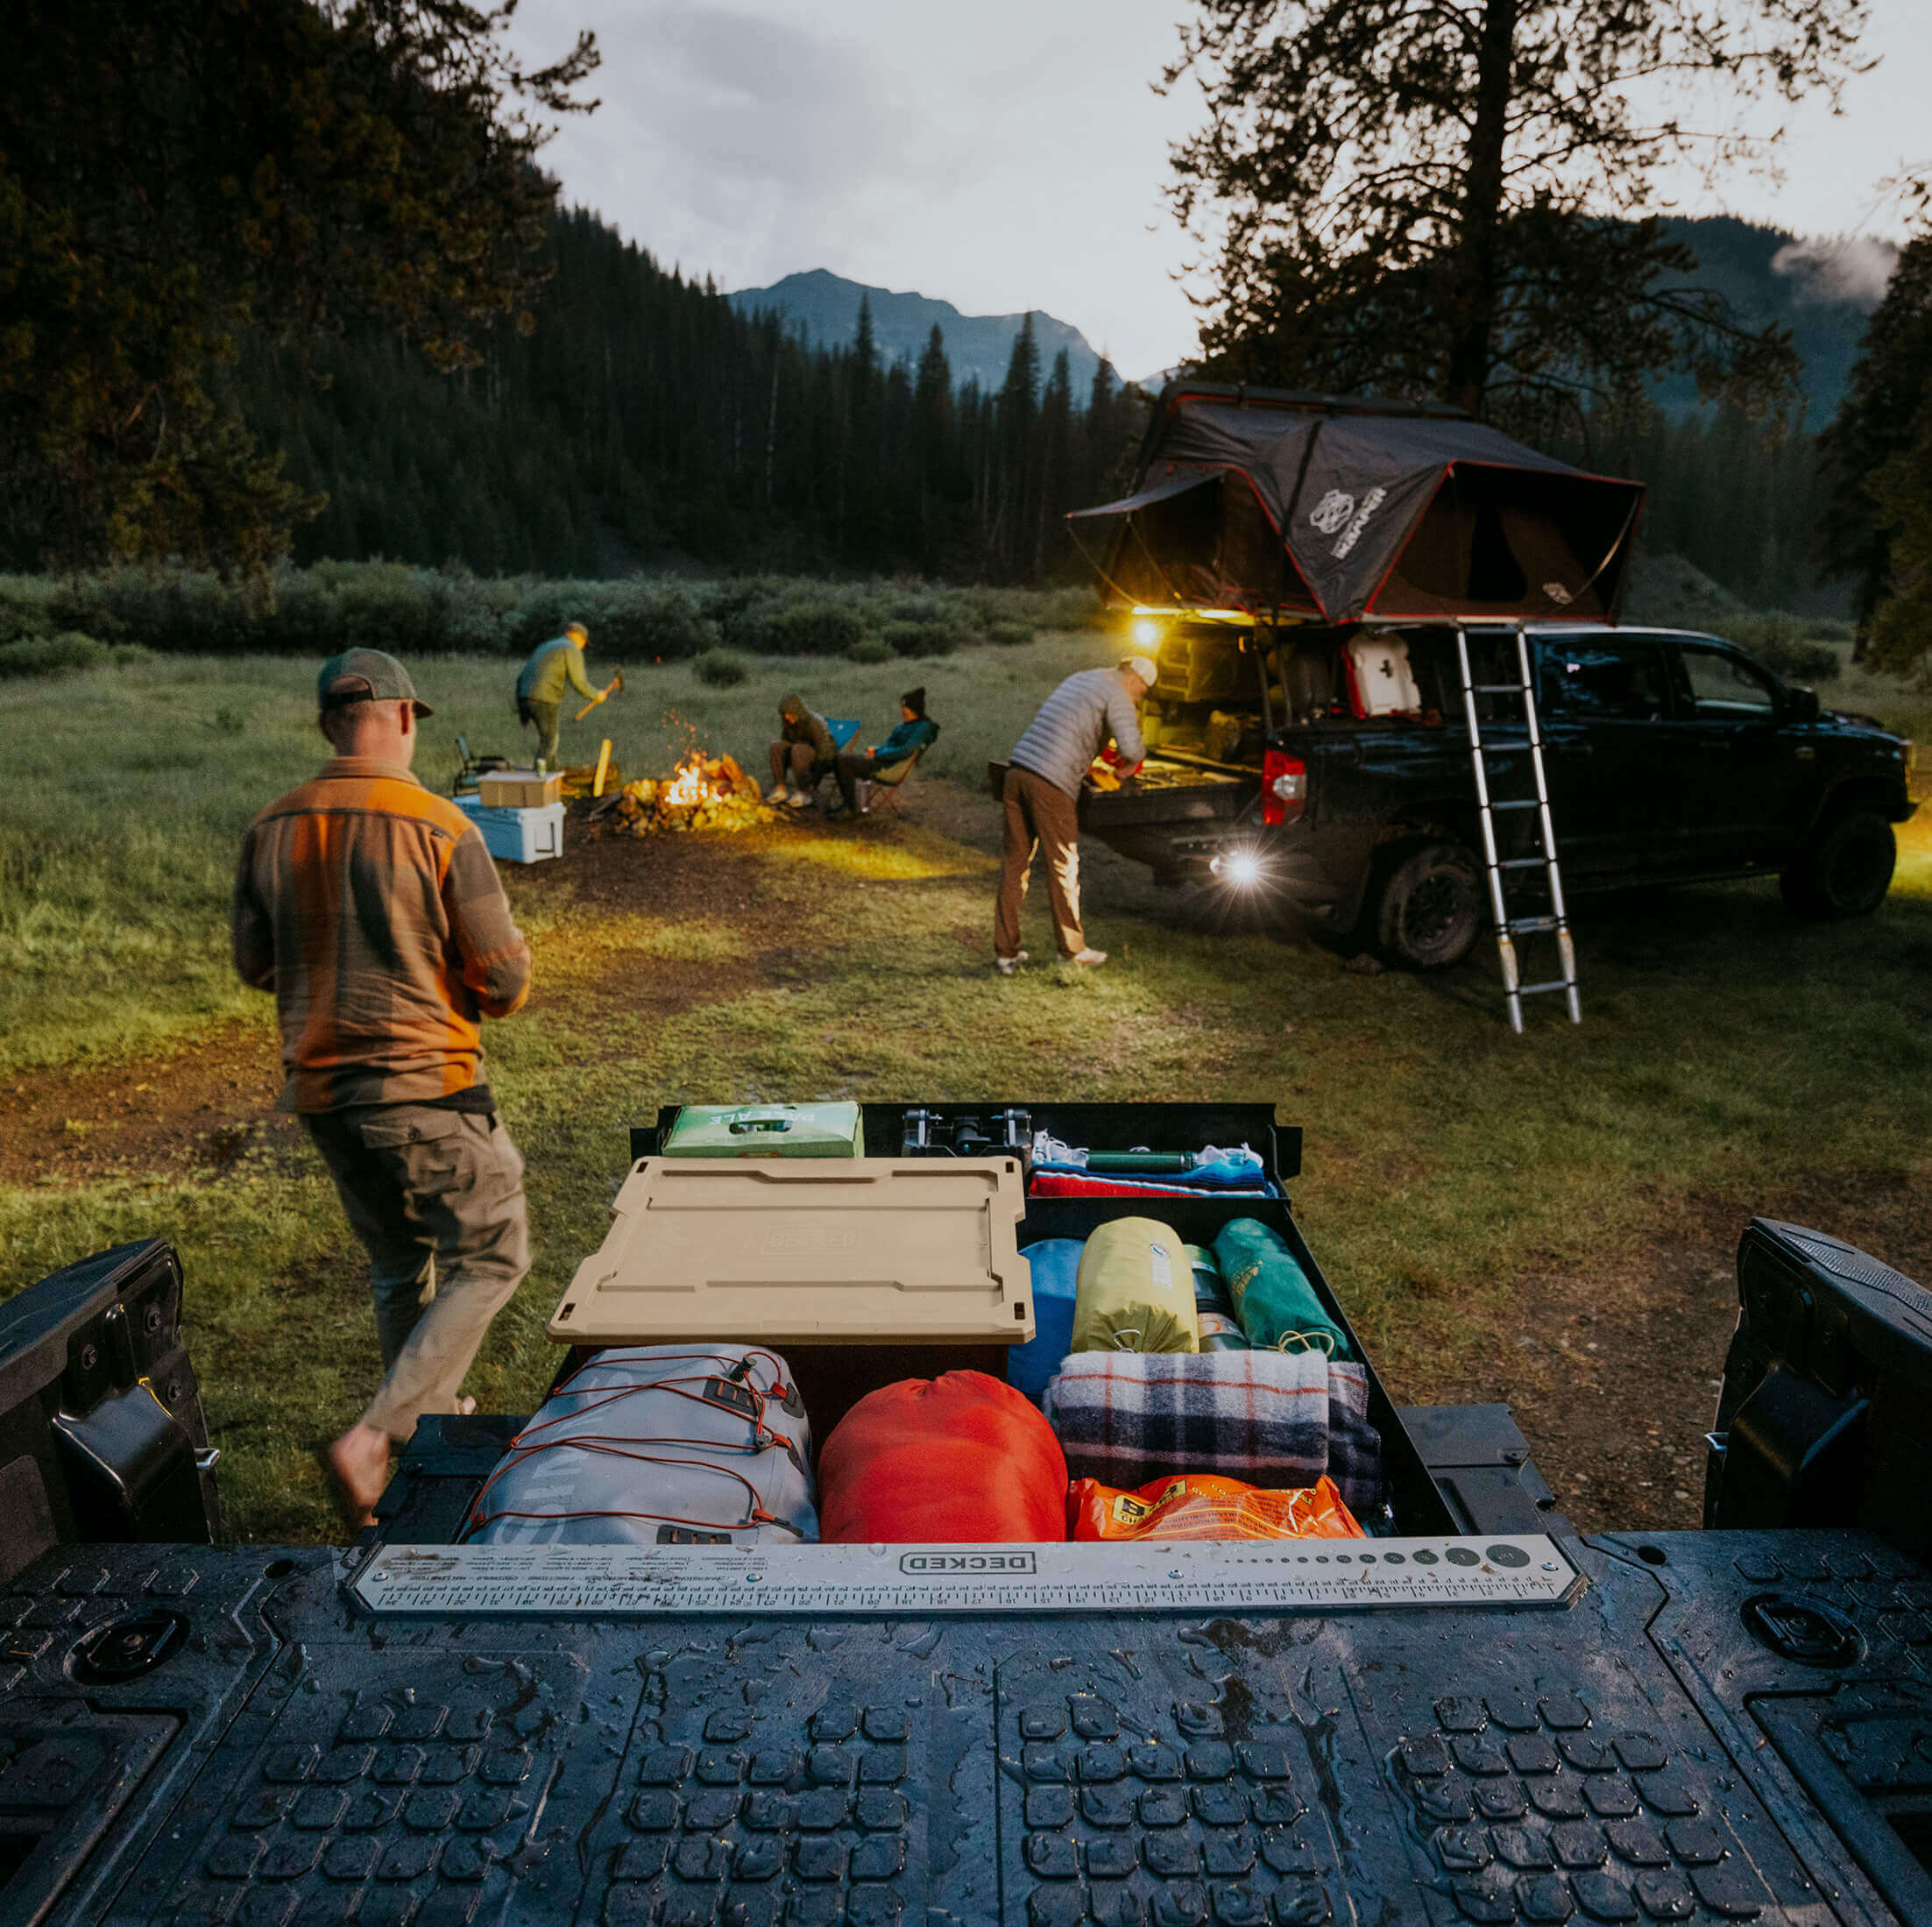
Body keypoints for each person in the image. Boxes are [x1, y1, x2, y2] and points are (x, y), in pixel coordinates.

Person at [231, 648, 534, 1528]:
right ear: (404, 719)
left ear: (329, 724)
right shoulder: (441, 826)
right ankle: (379, 1435)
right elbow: (505, 983)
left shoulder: (272, 827)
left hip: (325, 1094)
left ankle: (422, 1437)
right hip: (426, 1092)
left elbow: (257, 964)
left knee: (399, 1266)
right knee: (495, 1251)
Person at [995, 655, 1155, 974]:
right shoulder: (1119, 692)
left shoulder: (1083, 678)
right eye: (1142, 692)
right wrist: (1129, 764)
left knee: (1015, 865)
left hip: (1017, 772)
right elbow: (1132, 748)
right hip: (1050, 782)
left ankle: (1006, 953)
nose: (1138, 698)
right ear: (1136, 678)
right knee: (1063, 865)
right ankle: (1071, 951)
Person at [826, 686, 939, 819]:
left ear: (915, 710)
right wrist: (876, 751)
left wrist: (877, 754)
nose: (902, 711)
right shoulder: (902, 726)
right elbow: (887, 746)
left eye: (906, 708)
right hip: (882, 761)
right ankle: (849, 805)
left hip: (891, 767)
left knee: (844, 762)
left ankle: (850, 810)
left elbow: (905, 751)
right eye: (902, 707)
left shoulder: (922, 728)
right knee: (840, 758)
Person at [515, 620, 597, 768]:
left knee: (549, 739)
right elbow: (579, 682)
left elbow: (522, 677)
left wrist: (522, 709)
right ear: (580, 638)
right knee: (549, 740)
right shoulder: (571, 648)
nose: (583, 646)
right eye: (584, 643)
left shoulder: (546, 646)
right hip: (544, 698)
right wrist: (597, 695)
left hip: (524, 695)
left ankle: (551, 775)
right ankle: (540, 782)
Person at [767, 692, 837, 806]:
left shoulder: (814, 724)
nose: (786, 717)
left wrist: (814, 783)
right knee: (776, 746)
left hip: (820, 759)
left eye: (789, 714)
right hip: (798, 754)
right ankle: (780, 789)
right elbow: (785, 743)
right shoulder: (789, 723)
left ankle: (804, 793)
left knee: (798, 750)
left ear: (798, 711)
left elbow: (824, 755)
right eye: (784, 714)